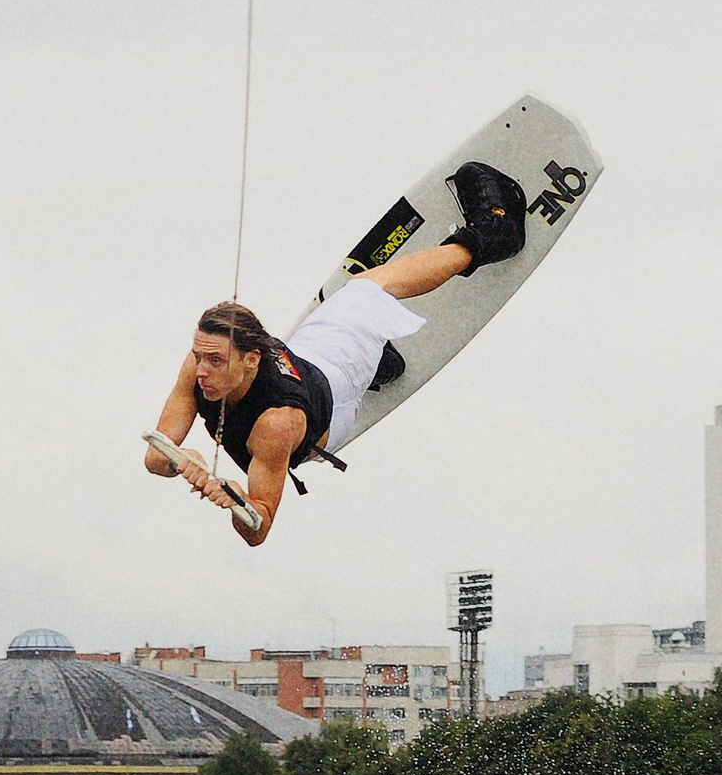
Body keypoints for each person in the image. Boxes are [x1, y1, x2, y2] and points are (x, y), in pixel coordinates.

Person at [146, 162, 528, 544]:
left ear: (252, 359)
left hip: (322, 371)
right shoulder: (228, 388)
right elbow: (248, 522)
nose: (202, 370)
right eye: (200, 357)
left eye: (216, 361)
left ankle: (491, 238)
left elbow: (255, 526)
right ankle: (485, 240)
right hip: (326, 405)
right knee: (361, 296)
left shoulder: (273, 417)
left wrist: (231, 493)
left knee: (366, 287)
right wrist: (192, 468)